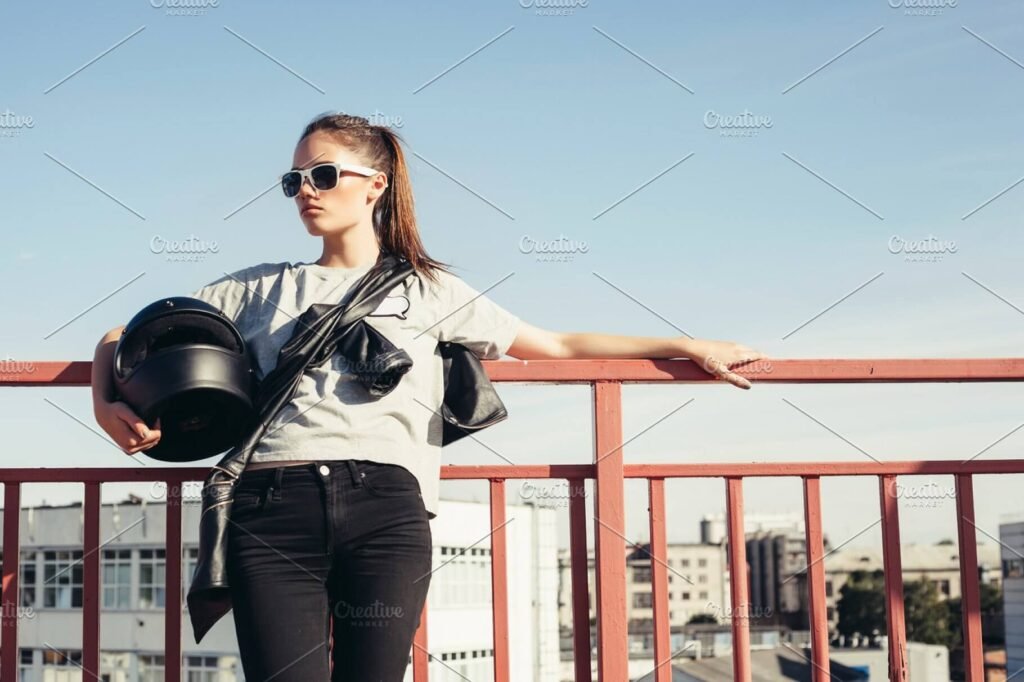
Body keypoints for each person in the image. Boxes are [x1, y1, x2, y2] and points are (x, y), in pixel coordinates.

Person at [91, 112, 766, 681]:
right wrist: (105, 401)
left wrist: (685, 344)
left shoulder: (430, 289)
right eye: (294, 180)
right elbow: (127, 335)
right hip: (273, 508)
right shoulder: (257, 288)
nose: (306, 191)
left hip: (386, 508)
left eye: (323, 175)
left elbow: (551, 345)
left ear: (375, 185)